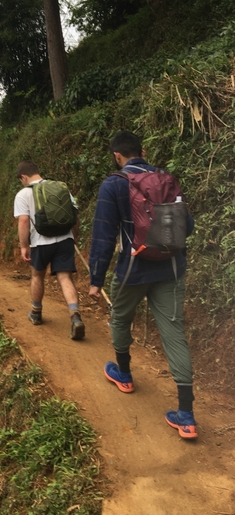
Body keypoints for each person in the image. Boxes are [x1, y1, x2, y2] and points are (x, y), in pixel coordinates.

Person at [88, 131, 197, 439]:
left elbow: (104, 236)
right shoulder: (165, 179)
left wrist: (96, 280)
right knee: (174, 333)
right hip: (171, 269)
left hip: (132, 270)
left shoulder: (113, 185)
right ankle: (186, 415)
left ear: (117, 156)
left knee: (120, 319)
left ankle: (124, 373)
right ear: (143, 151)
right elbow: (187, 226)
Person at [13, 160, 85, 340]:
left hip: (40, 242)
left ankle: (36, 313)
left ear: (24, 177)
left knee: (38, 275)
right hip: (64, 239)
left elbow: (23, 221)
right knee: (65, 277)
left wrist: (23, 246)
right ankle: (75, 316)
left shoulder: (23, 194)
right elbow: (75, 215)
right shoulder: (61, 188)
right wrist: (74, 236)